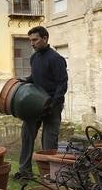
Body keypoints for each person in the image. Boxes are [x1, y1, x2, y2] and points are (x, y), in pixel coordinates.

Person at [14, 26, 68, 181]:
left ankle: (50, 176)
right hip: (34, 104)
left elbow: (62, 84)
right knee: (27, 135)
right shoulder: (34, 57)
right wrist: (26, 79)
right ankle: (25, 172)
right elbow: (36, 77)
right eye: (30, 40)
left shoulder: (56, 59)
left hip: (53, 106)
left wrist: (52, 104)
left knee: (49, 141)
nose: (32, 43)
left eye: (35, 40)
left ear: (45, 39)